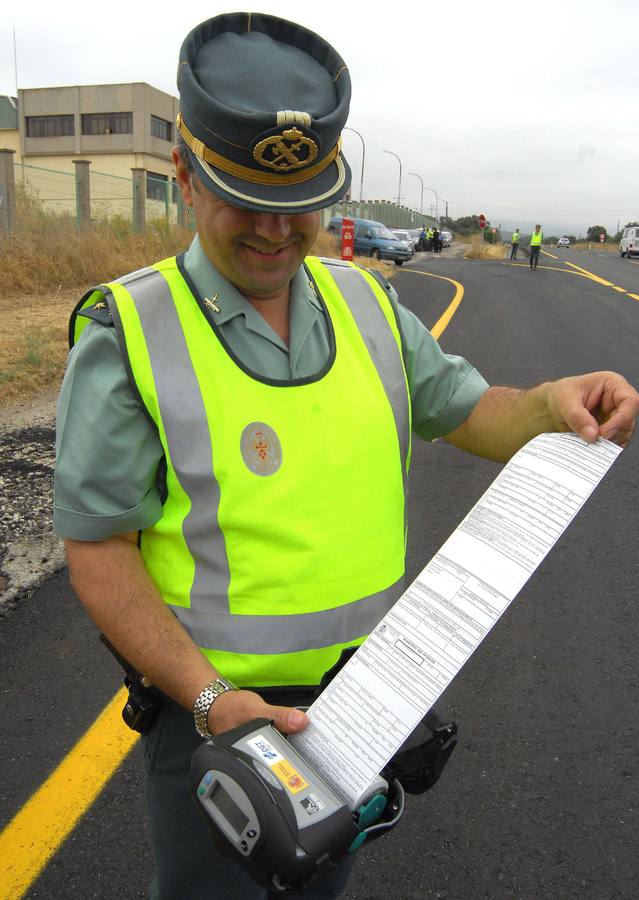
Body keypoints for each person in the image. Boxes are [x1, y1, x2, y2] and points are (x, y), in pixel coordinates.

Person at [54, 12, 639, 900]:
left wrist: (549, 407)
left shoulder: (363, 303)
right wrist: (213, 702)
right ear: (182, 170)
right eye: (244, 200)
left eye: (299, 208)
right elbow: (98, 550)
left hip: (361, 712)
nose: (275, 232)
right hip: (220, 724)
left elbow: (467, 409)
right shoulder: (129, 329)